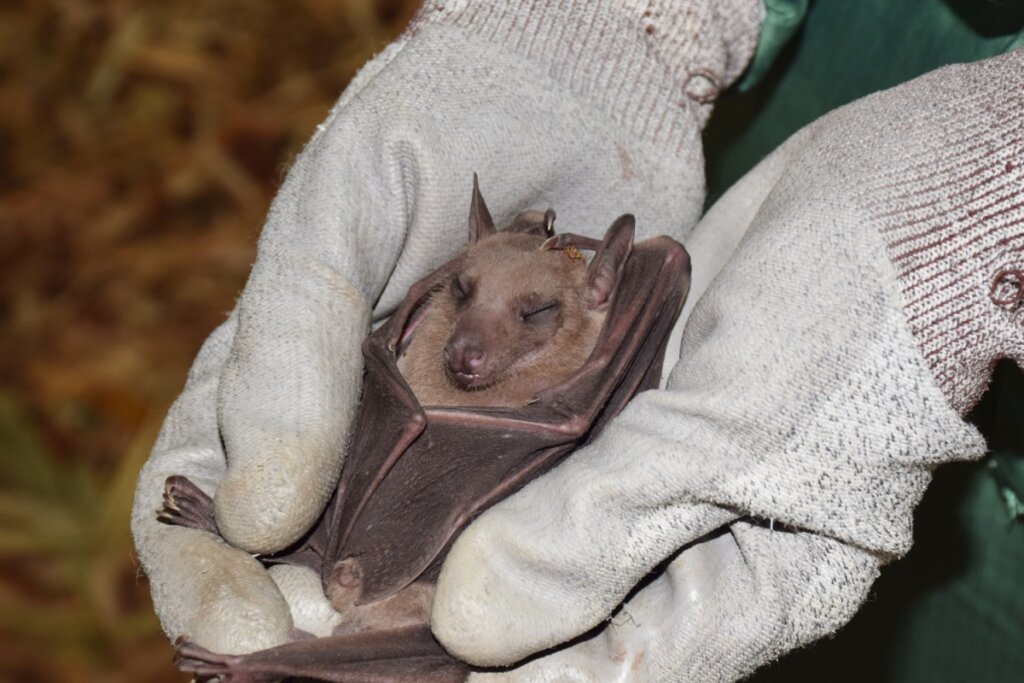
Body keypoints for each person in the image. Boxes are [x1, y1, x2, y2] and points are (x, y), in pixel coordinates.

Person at [130, 1, 1023, 680]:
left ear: (600, 294)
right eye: (465, 293)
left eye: (530, 316)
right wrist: (622, 26)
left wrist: (985, 197)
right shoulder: (438, 331)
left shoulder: (592, 373)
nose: (474, 339)